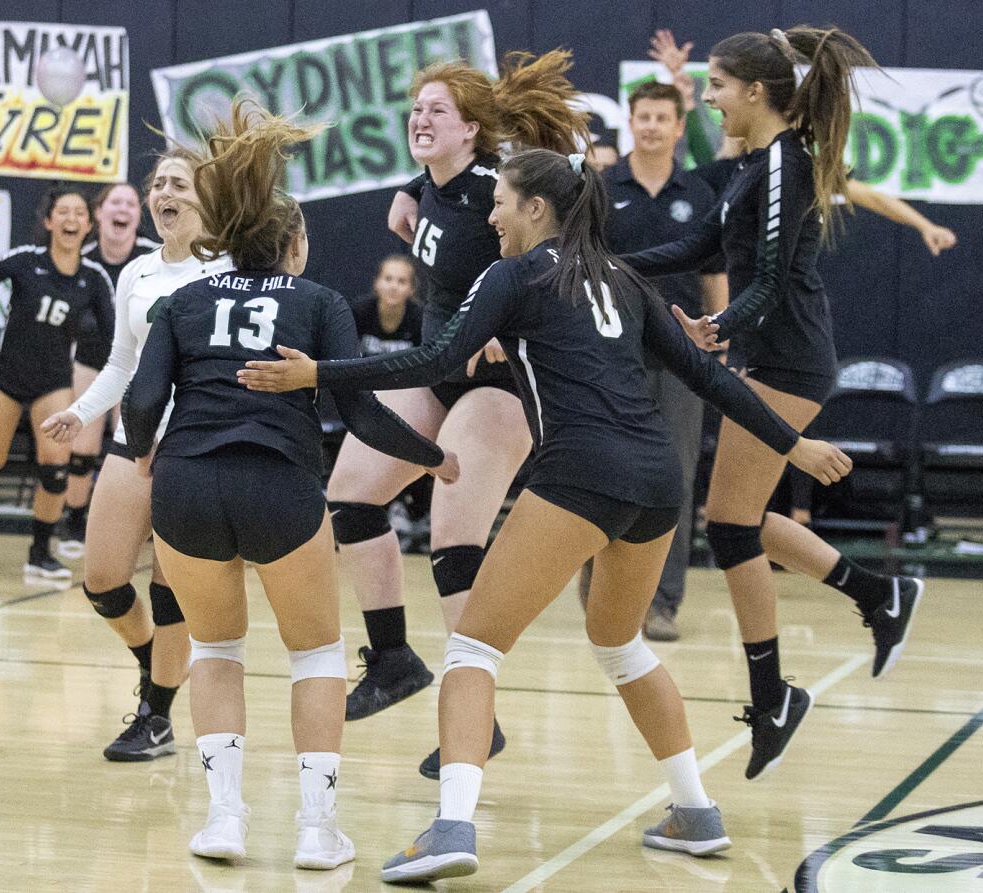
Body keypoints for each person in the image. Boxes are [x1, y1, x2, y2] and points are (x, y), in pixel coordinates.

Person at [238, 148, 851, 882]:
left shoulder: (514, 275)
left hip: (582, 472)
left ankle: (452, 826)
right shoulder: (623, 279)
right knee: (620, 644)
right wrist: (795, 443)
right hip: (657, 482)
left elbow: (433, 360)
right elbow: (709, 378)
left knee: (473, 649)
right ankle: (695, 810)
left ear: (536, 208)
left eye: (500, 200)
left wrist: (318, 373)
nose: (491, 213)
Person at [124, 99, 458, 871]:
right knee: (314, 655)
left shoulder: (182, 301)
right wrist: (432, 458)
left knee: (214, 646)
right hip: (278, 485)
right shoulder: (318, 303)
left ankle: (226, 818)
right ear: (296, 245)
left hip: (187, 487)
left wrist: (146, 454)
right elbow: (361, 414)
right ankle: (315, 828)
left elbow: (142, 404)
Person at [619, 27, 924, 781]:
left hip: (793, 357)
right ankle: (879, 597)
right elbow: (703, 253)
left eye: (718, 86)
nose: (711, 99)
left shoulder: (786, 161)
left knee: (729, 526)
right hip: (774, 355)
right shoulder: (754, 165)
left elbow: (773, 279)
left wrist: (717, 325)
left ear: (755, 92)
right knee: (739, 521)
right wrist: (610, 265)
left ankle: (775, 694)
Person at [335, 51, 592, 780]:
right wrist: (409, 188)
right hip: (440, 367)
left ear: (473, 129)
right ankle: (391, 659)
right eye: (415, 109)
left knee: (452, 533)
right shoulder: (435, 184)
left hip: (505, 383)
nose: (419, 118)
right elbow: (431, 194)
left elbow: (562, 258)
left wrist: (505, 328)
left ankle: (479, 715)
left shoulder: (493, 188)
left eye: (436, 111)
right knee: (351, 493)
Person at [40, 150, 232, 762]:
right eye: (158, 184)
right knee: (101, 579)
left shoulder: (228, 269)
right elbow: (122, 362)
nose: (164, 193)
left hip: (197, 444)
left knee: (170, 583)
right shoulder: (138, 272)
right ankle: (157, 665)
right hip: (135, 436)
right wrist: (81, 412)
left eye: (179, 183)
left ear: (205, 199)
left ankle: (156, 715)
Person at [585, 81, 730, 643]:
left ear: (677, 126)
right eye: (642, 116)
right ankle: (599, 579)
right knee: (601, 467)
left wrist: (720, 342)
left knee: (674, 475)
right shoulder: (599, 188)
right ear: (630, 121)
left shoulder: (698, 192)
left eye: (661, 118)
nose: (650, 126)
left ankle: (661, 603)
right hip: (606, 353)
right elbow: (578, 268)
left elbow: (713, 275)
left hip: (680, 359)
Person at [649, 28, 959, 254]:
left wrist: (924, 226)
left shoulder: (795, 168)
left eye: (718, 88)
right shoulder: (723, 164)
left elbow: (869, 195)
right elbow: (714, 149)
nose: (712, 99)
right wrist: (683, 90)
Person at [0, 189, 111, 583]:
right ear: (49, 222)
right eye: (63, 212)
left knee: (56, 468)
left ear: (89, 226)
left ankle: (39, 553)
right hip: (5, 377)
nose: (71, 219)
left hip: (54, 381)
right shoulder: (26, 261)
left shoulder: (94, 279)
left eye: (79, 213)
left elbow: (114, 335)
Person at [57, 183, 161, 559]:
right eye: (115, 202)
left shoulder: (153, 257)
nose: (123, 209)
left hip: (137, 364)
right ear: (98, 213)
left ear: (139, 214)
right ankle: (74, 519)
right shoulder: (79, 258)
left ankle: (138, 525)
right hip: (90, 357)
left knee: (134, 447)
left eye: (131, 204)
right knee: (81, 447)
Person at [349, 256, 429, 548]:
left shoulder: (420, 319)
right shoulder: (359, 312)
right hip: (368, 403)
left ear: (411, 289)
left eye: (402, 281)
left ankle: (414, 511)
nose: (394, 286)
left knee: (413, 444)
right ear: (377, 283)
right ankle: (370, 508)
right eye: (388, 279)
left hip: (408, 403)